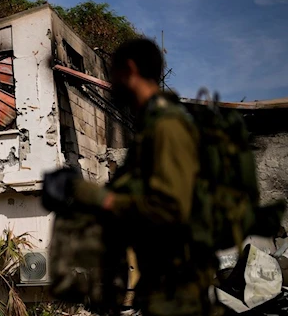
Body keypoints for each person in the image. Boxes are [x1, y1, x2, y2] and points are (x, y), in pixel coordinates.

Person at [42, 38, 208, 316]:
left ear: (129, 70)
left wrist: (91, 195)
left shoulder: (168, 126)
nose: (112, 83)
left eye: (114, 73)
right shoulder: (153, 127)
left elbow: (170, 209)